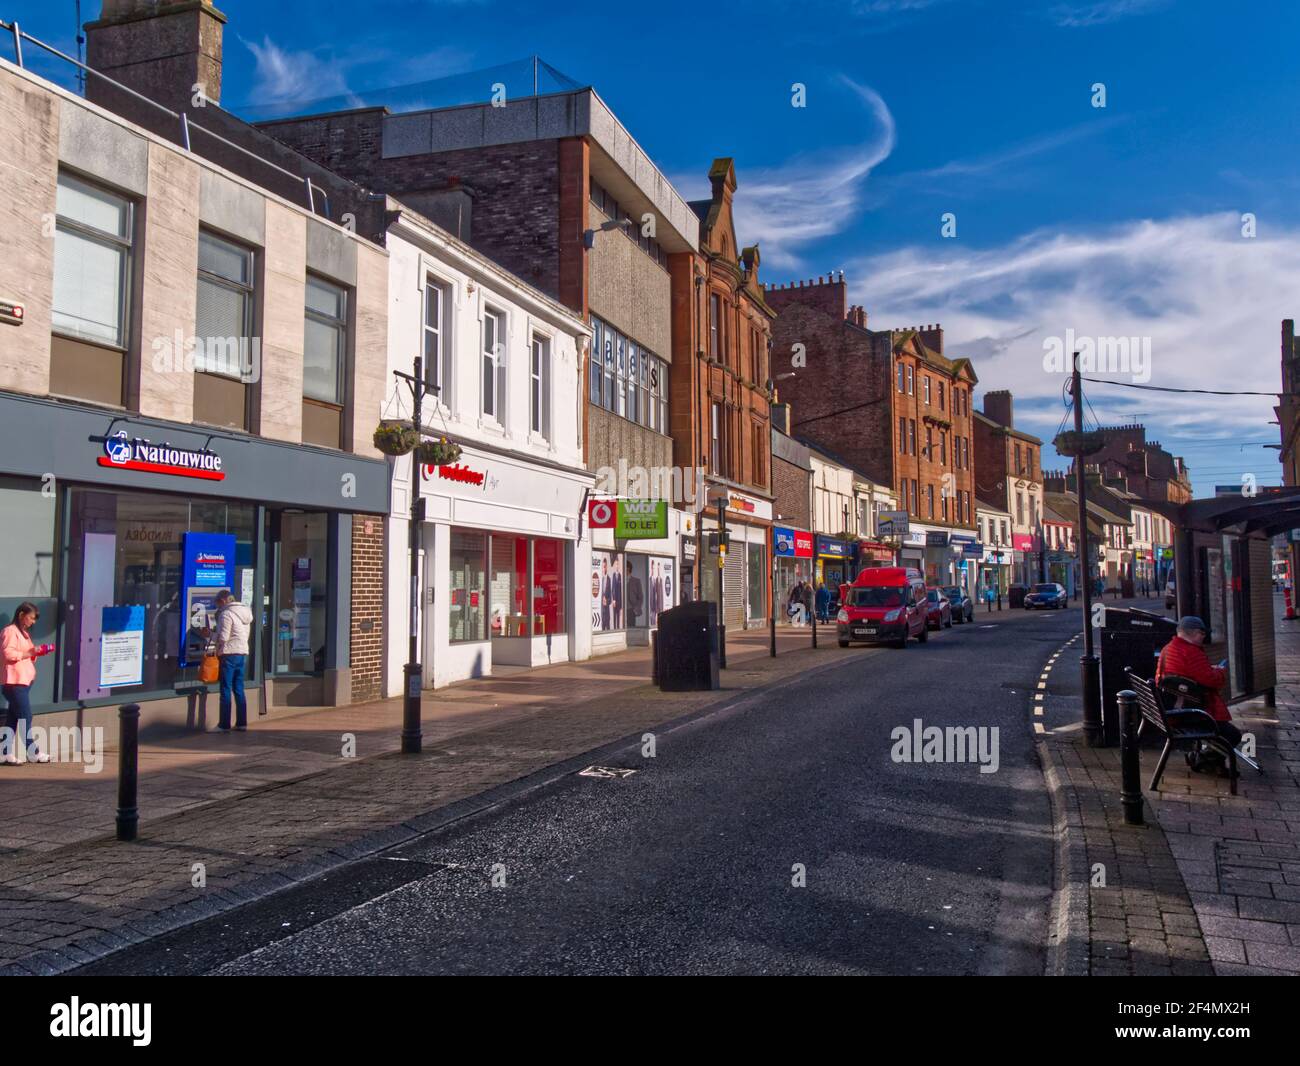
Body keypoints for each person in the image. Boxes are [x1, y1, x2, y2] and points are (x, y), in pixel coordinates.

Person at [1156, 615, 1240, 770]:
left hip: (1170, 709)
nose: (1204, 637)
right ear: (1194, 633)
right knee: (1232, 734)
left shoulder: (1168, 649)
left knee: (1223, 732)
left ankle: (1208, 760)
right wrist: (1220, 671)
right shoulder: (1192, 653)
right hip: (1189, 713)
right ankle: (1202, 759)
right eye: (1202, 634)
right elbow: (1213, 681)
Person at [2, 603, 53, 764]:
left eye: (34, 619)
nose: (33, 622)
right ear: (21, 614)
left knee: (13, 718)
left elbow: (27, 654)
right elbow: (7, 653)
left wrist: (36, 652)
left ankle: (4, 752)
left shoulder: (23, 633)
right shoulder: (10, 631)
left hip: (23, 682)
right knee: (25, 716)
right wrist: (29, 652)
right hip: (14, 683)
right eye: (31, 618)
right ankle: (33, 752)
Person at [213, 589, 253, 732]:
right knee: (239, 688)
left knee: (225, 689)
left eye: (217, 603)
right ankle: (242, 723)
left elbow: (223, 637)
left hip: (229, 653)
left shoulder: (226, 614)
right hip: (242, 652)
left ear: (223, 601)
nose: (217, 606)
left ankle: (224, 724)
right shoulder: (246, 612)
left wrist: (210, 635)